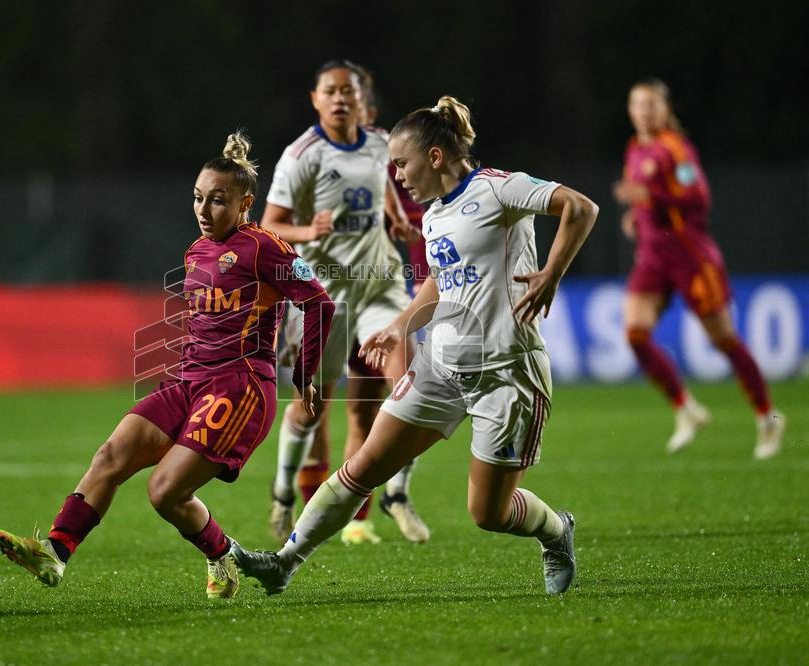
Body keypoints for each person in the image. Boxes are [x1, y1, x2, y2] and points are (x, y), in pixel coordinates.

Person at [232, 95, 598, 597]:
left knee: (487, 513)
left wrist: (552, 272)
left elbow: (580, 207)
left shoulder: (498, 188)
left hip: (508, 376)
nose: (397, 177)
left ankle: (557, 531)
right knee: (361, 469)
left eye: (401, 164)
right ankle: (284, 563)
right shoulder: (433, 216)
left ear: (434, 157)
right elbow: (440, 281)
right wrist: (403, 324)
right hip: (441, 368)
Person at [0, 132, 335, 600]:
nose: (203, 209)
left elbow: (319, 301)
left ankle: (223, 556)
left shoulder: (264, 247)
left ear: (245, 204)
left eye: (218, 200)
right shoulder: (195, 251)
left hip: (240, 386)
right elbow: (205, 324)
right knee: (109, 457)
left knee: (163, 492)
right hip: (188, 382)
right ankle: (54, 553)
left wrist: (305, 372)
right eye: (198, 198)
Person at [265, 60, 427, 548]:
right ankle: (282, 491)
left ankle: (393, 494)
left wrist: (396, 218)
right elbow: (270, 224)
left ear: (362, 99)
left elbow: (383, 185)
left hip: (378, 285)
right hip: (325, 295)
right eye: (330, 91)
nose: (339, 98)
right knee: (312, 408)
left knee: (413, 383)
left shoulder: (380, 142)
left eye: (348, 91)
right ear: (315, 99)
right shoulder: (301, 155)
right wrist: (306, 231)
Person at [613, 79, 785, 459]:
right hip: (653, 257)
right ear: (630, 110)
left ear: (664, 108)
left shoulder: (676, 148)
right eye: (638, 104)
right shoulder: (635, 149)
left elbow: (697, 198)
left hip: (690, 256)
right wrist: (637, 217)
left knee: (723, 338)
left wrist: (649, 198)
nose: (644, 111)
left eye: (651, 105)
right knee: (635, 335)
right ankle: (687, 409)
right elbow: (650, 205)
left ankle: (767, 416)